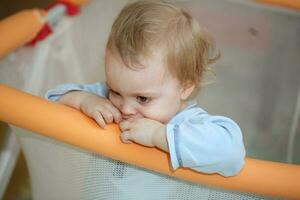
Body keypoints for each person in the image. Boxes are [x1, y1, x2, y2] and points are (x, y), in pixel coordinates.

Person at [46, 0, 245, 177]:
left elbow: (232, 153)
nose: (125, 109)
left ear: (184, 87)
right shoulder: (104, 100)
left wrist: (159, 136)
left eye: (142, 98)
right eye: (115, 90)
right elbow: (48, 103)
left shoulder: (189, 125)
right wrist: (83, 100)